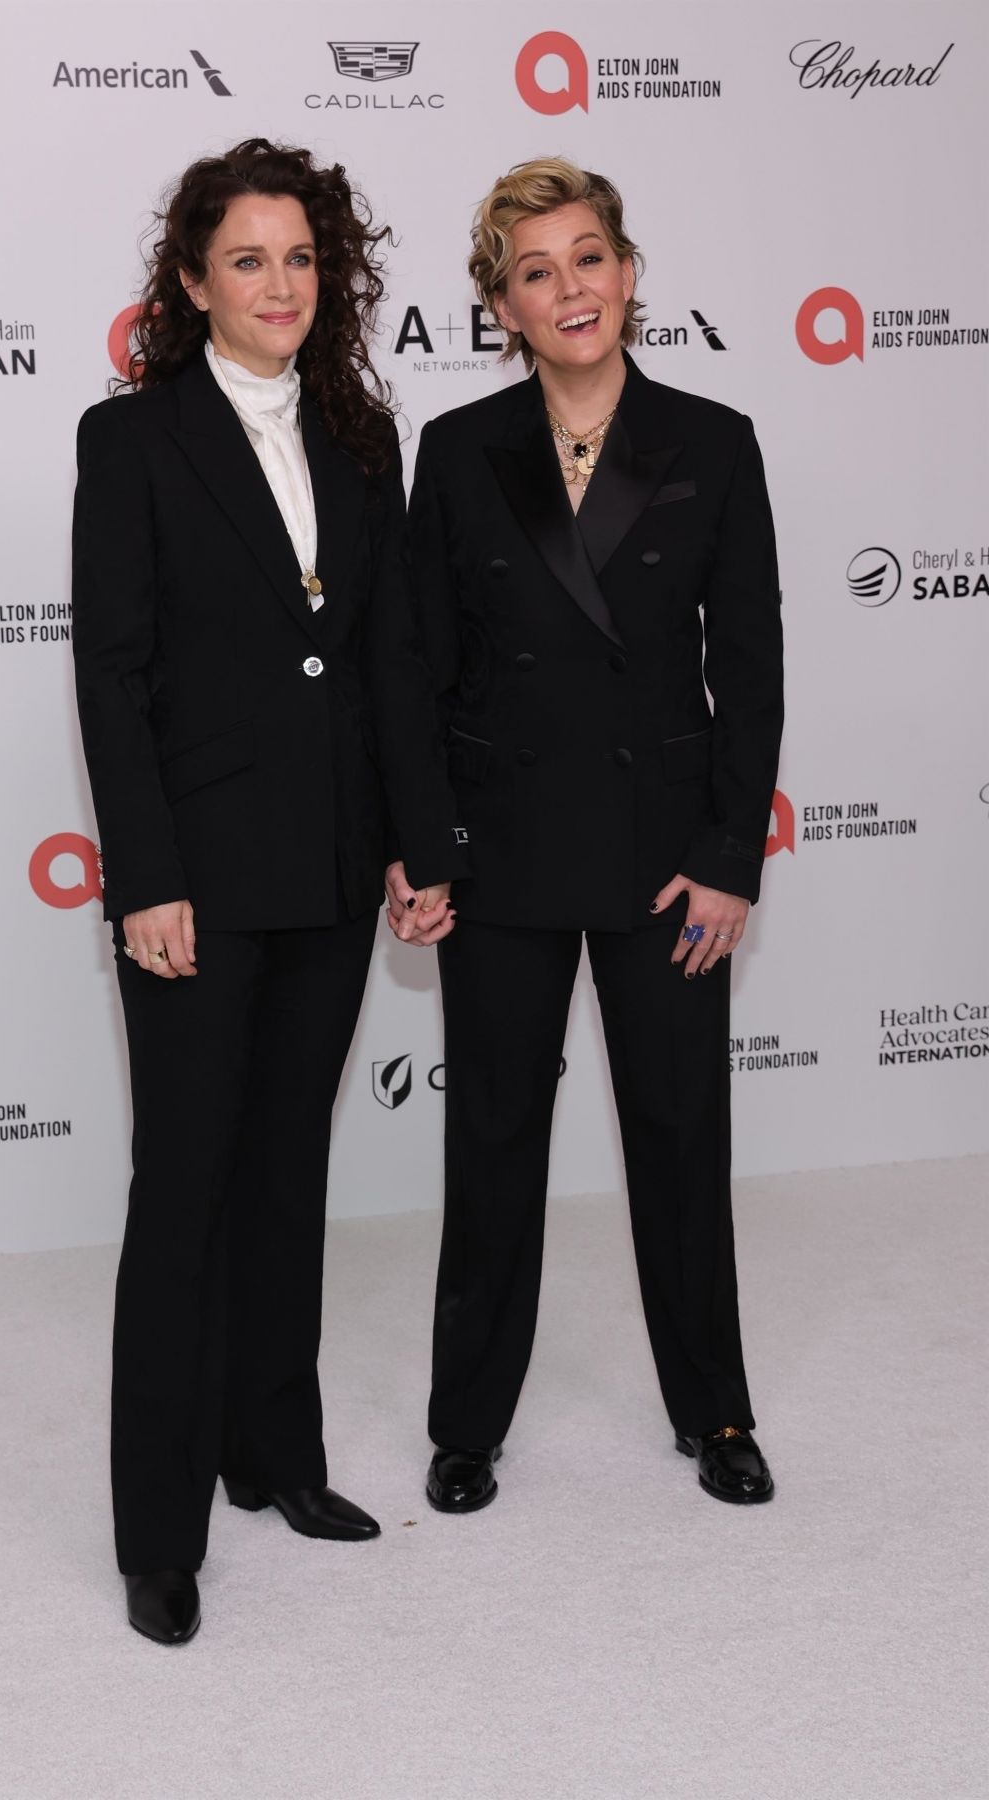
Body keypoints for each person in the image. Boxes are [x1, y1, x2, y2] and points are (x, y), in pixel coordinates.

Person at [72, 138, 464, 1644]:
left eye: (301, 257)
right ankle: (157, 1532)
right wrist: (145, 880)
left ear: (332, 274)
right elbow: (111, 678)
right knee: (183, 1195)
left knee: (289, 1178)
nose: (279, 283)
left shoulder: (366, 438)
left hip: (328, 869)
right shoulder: (132, 440)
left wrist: (417, 849)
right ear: (192, 282)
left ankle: (274, 1458)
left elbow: (383, 665)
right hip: (196, 887)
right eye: (247, 258)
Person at [389, 157, 783, 1515]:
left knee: (682, 1136)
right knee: (492, 1139)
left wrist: (734, 855)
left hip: (668, 858)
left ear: (630, 272)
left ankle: (716, 1413)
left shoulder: (715, 439)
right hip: (500, 850)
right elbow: (421, 667)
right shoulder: (454, 452)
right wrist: (422, 844)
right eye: (538, 270)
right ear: (501, 304)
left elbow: (752, 664)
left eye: (591, 258)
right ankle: (466, 1423)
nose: (573, 289)